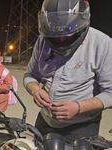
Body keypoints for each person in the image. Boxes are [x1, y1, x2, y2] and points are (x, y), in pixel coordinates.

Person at [23, 0, 112, 143]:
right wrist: (35, 90)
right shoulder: (43, 41)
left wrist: (78, 107)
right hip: (45, 121)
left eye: (67, 34)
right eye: (54, 34)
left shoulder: (102, 44)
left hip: (81, 126)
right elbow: (30, 75)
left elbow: (110, 93)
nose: (60, 39)